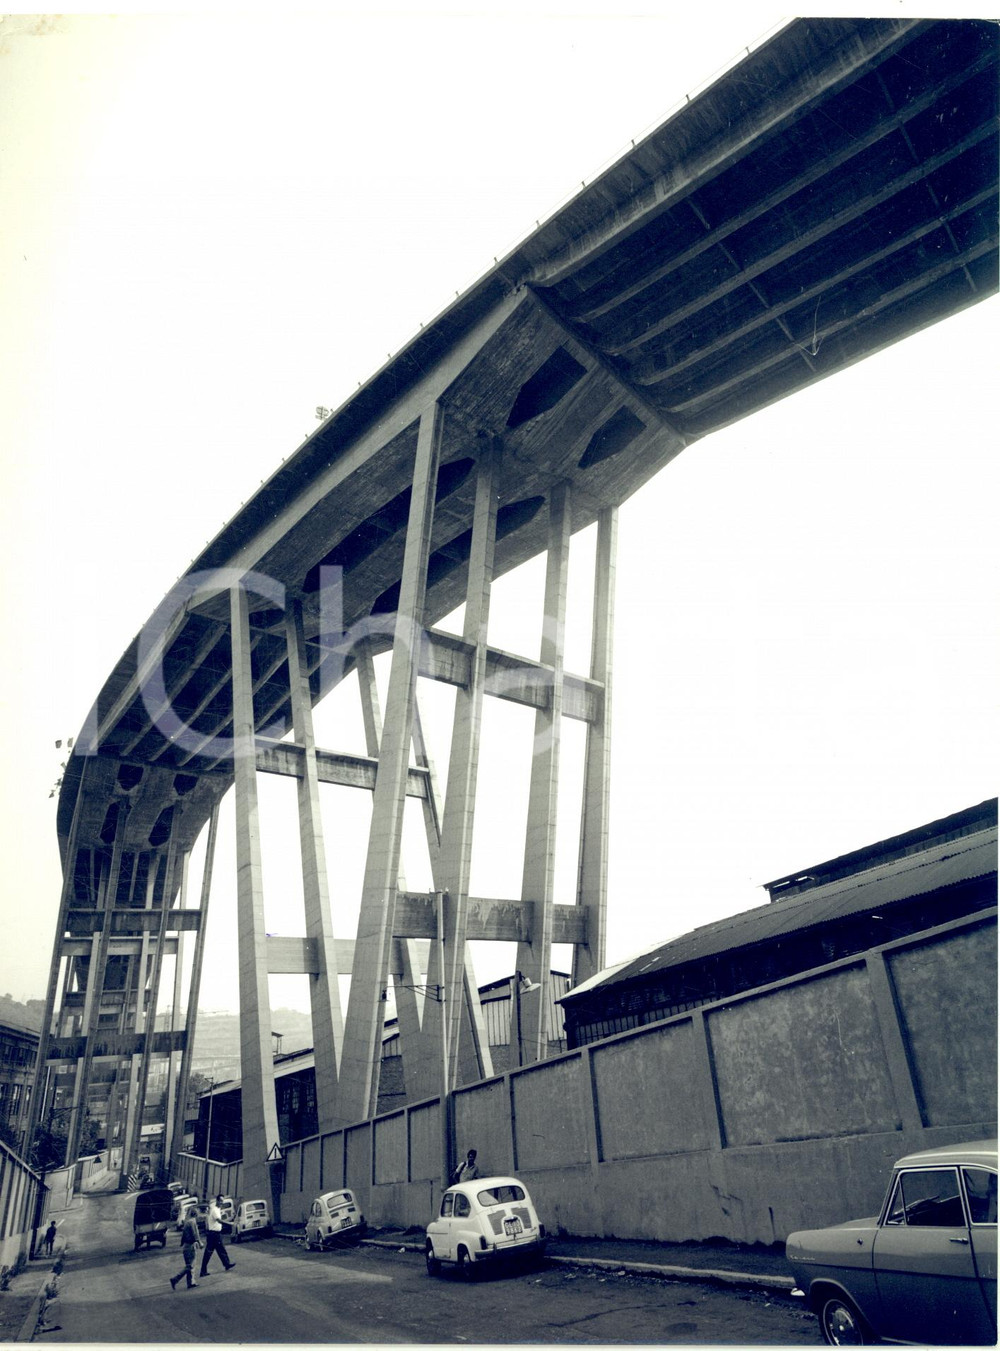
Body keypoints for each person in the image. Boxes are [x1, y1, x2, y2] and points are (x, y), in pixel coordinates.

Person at [199, 1195, 235, 1277]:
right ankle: (203, 1270)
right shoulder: (215, 1210)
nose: (222, 1203)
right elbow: (219, 1220)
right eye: (220, 1201)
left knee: (220, 1250)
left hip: (215, 1234)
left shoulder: (217, 1209)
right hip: (214, 1234)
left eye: (223, 1201)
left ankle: (226, 1264)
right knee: (210, 1252)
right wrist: (230, 1224)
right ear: (217, 1201)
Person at [170, 1213, 201, 1290]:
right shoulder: (192, 1222)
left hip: (186, 1246)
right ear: (196, 1215)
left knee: (189, 1265)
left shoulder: (187, 1222)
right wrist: (199, 1242)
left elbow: (183, 1236)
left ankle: (190, 1283)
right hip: (190, 1246)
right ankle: (175, 1279)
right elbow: (195, 1234)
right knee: (190, 1265)